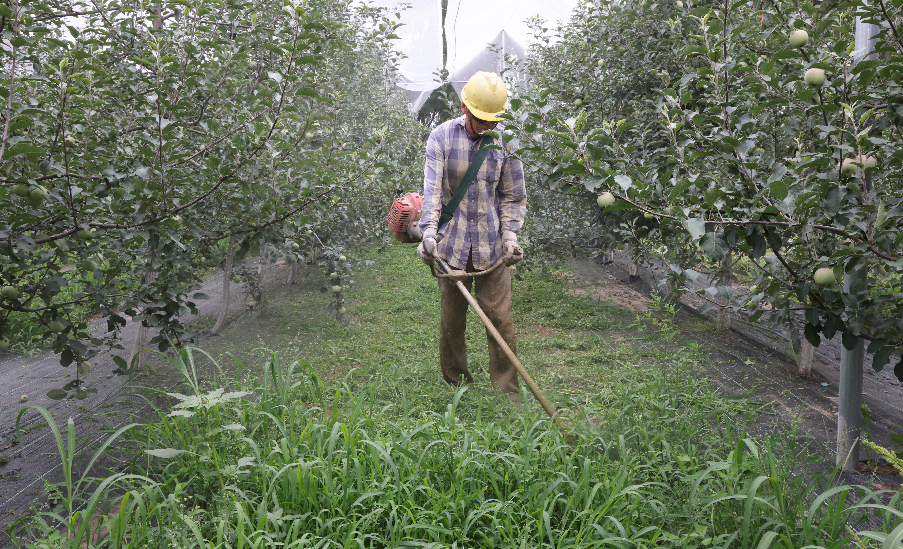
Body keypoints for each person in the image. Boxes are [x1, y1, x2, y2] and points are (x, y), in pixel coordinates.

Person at [417, 71, 527, 401]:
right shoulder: (440, 138)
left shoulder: (506, 143)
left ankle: (507, 391)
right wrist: (429, 235)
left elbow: (513, 195)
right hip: (451, 248)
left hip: (492, 248)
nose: (487, 127)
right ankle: (458, 387)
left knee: (501, 321)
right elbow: (433, 193)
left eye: (493, 121)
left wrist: (510, 237)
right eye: (481, 119)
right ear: (465, 107)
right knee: (451, 324)